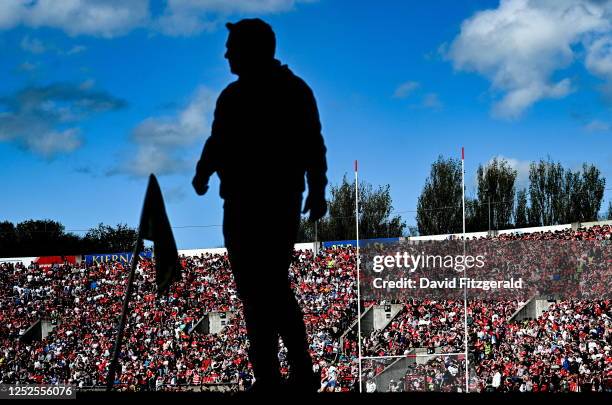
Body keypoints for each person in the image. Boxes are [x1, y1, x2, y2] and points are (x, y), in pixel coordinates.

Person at [192, 18, 328, 392]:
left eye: (232, 46)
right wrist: (204, 171)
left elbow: (312, 145)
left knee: (266, 287)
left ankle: (294, 370)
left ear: (252, 48)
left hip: (272, 202)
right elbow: (217, 141)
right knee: (256, 291)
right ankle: (273, 374)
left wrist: (318, 189)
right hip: (240, 202)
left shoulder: (291, 91)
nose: (226, 53)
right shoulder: (234, 97)